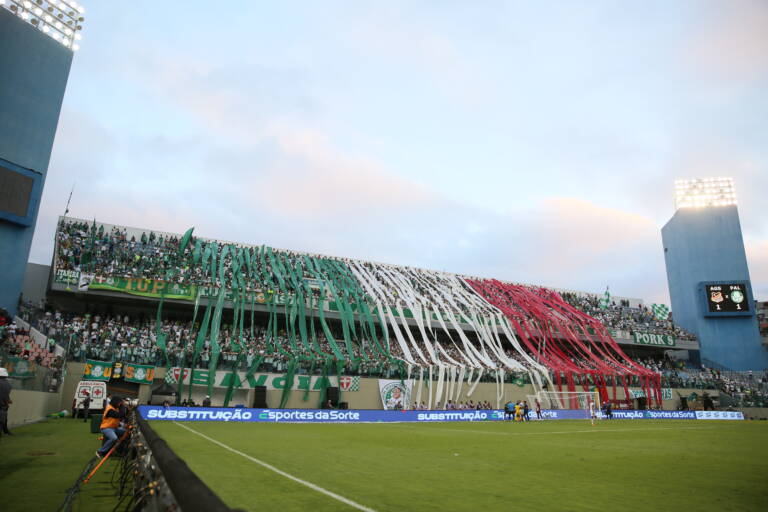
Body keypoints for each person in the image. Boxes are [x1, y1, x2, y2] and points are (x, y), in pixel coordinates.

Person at [0, 368, 12, 437]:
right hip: (3, 405)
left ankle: (5, 431)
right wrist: (7, 401)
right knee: (3, 419)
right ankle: (6, 431)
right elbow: (5, 395)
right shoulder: (7, 384)